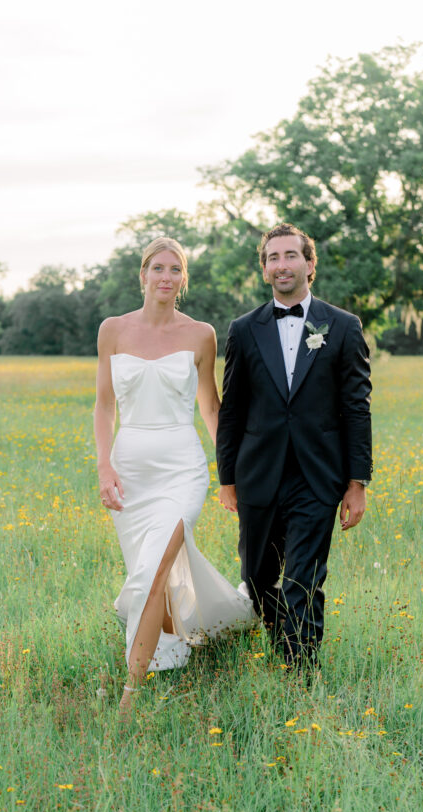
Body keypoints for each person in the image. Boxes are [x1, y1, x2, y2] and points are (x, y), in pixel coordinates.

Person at [94, 237, 254, 714]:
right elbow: (104, 405)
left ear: (183, 279)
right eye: (158, 268)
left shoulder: (200, 334)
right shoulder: (113, 330)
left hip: (181, 466)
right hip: (131, 468)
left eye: (176, 270)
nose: (167, 277)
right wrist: (104, 466)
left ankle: (131, 692)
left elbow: (210, 406)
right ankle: (170, 649)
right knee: (147, 569)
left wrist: (231, 473)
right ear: (142, 275)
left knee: (157, 566)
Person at [216, 224, 372, 676]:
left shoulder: (342, 326)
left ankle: (299, 673)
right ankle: (280, 644)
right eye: (272, 258)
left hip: (317, 475)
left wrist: (357, 482)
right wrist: (227, 479)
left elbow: (356, 408)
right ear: (264, 269)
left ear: (309, 264)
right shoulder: (243, 330)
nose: (281, 265)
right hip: (257, 475)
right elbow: (232, 412)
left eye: (289, 256)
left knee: (302, 579)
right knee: (258, 577)